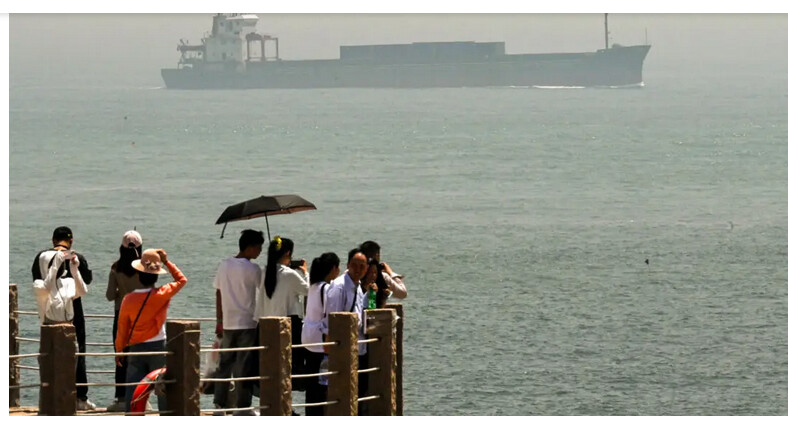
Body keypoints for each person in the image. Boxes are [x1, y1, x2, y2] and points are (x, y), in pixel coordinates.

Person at [115, 248, 187, 413]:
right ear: (156, 276)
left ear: (139, 275)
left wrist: (119, 350)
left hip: (136, 349)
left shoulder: (128, 299)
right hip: (159, 347)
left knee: (133, 391)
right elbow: (182, 280)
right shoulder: (162, 293)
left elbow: (122, 329)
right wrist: (167, 261)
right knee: (162, 390)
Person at [32, 226, 95, 411]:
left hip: (49, 310)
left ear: (53, 240)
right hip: (74, 311)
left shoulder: (41, 257)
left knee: (49, 355)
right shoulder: (76, 257)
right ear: (71, 241)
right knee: (79, 353)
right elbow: (87, 280)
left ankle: (48, 396)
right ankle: (80, 397)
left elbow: (36, 277)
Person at [212, 229, 265, 416]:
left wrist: (219, 320)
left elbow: (218, 293)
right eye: (259, 248)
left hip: (227, 324)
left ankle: (219, 406)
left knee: (224, 367)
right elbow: (265, 289)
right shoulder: (254, 269)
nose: (259, 252)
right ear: (250, 247)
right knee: (244, 368)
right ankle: (243, 408)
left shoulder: (224, 265)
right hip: (248, 324)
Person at [254, 236, 310, 393]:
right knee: (287, 368)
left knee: (269, 369)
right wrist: (305, 272)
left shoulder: (264, 272)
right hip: (287, 326)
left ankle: (270, 404)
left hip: (265, 326)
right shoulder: (289, 274)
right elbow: (307, 290)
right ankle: (285, 408)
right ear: (287, 253)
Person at [323, 248, 369, 408]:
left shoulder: (358, 286)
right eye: (355, 265)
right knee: (342, 394)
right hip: (342, 348)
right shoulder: (339, 286)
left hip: (356, 347)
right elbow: (332, 318)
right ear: (348, 265)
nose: (358, 269)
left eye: (362, 266)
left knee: (356, 393)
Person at [104, 230, 145, 412]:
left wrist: (122, 291)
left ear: (121, 247)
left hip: (121, 316)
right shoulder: (145, 267)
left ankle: (121, 399)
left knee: (121, 357)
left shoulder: (115, 268)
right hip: (141, 316)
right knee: (139, 358)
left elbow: (110, 296)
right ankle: (140, 397)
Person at [301, 252, 341, 416]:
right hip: (320, 341)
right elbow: (329, 316)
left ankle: (311, 414)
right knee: (322, 384)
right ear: (333, 269)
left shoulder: (313, 286)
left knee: (311, 384)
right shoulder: (327, 289)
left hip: (307, 338)